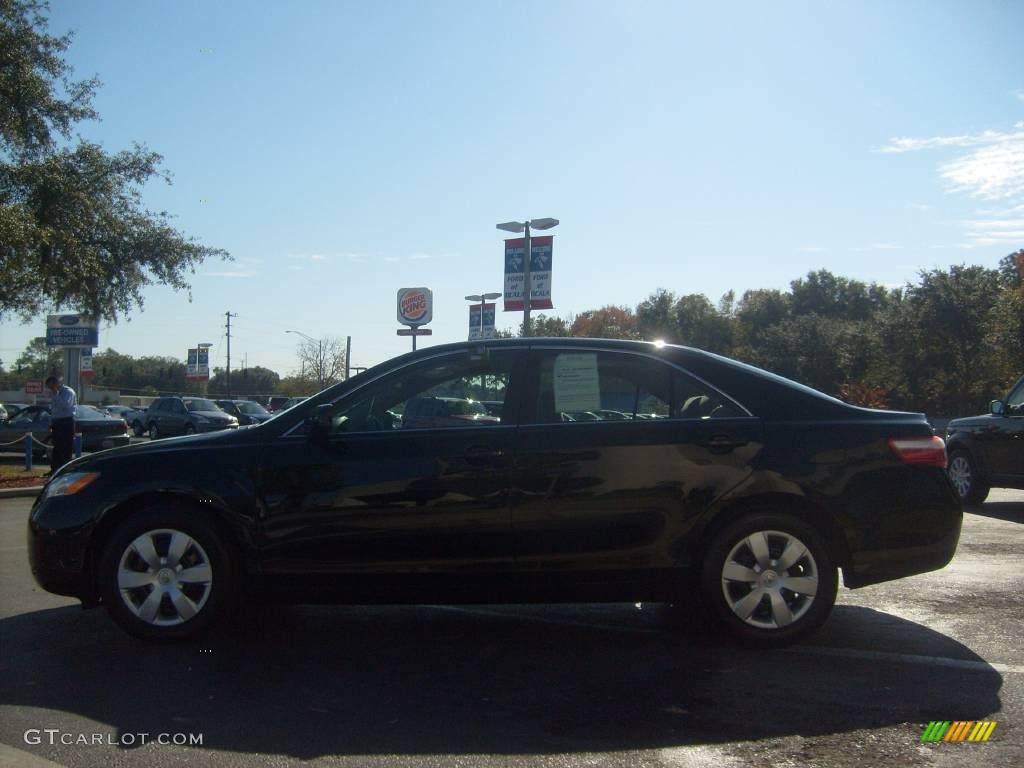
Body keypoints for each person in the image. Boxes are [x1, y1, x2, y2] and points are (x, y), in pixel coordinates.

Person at [45, 375, 77, 473]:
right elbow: (54, 410)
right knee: (57, 447)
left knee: (65, 447)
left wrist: (56, 394)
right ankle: (55, 470)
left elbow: (66, 405)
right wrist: (51, 422)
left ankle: (65, 470)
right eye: (49, 387)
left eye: (51, 386)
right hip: (57, 423)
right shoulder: (55, 394)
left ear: (56, 383)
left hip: (66, 422)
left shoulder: (68, 392)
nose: (50, 389)